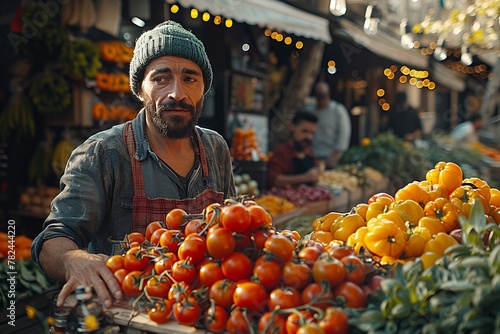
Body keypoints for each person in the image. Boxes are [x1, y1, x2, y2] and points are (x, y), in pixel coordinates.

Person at [30, 21, 236, 309]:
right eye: (161, 78)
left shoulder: (216, 149)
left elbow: (231, 232)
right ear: (139, 89)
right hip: (127, 318)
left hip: (200, 313)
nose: (177, 93)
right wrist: (72, 259)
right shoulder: (103, 152)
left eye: (190, 79)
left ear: (204, 89)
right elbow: (53, 240)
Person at [267, 110, 322, 188]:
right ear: (292, 127)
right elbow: (273, 179)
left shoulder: (309, 151)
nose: (309, 137)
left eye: (312, 133)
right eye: (304, 131)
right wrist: (304, 178)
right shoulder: (282, 153)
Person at [310, 81, 351, 169]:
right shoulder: (310, 109)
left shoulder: (338, 110)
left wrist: (336, 154)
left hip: (330, 155)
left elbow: (344, 134)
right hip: (312, 155)